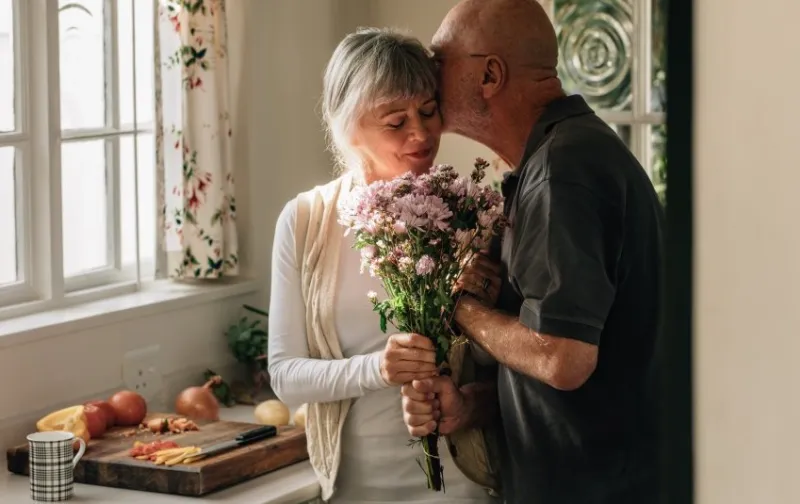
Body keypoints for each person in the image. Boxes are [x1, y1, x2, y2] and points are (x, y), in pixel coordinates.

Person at [400, 0, 665, 503]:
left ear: (490, 74)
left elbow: (563, 359)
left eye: (440, 60)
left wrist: (459, 308)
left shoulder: (562, 171)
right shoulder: (559, 159)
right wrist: (471, 407)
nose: (428, 75)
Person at [267, 27, 497, 504]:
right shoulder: (307, 222)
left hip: (463, 487)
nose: (422, 133)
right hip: (356, 489)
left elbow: (510, 372)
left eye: (429, 111)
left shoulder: (471, 219)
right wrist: (378, 368)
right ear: (349, 127)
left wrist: (481, 308)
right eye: (396, 121)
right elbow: (286, 377)